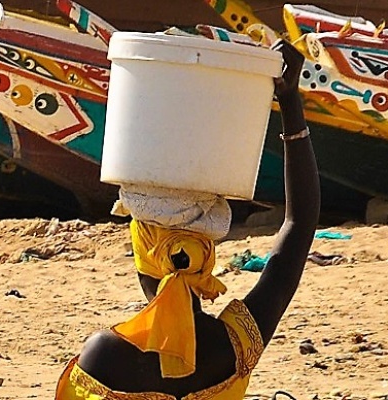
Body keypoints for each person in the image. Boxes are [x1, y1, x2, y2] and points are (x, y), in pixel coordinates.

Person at [55, 43, 319, 399]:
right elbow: (300, 224)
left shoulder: (104, 356)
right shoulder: (235, 345)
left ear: (144, 257)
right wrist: (290, 102)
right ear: (206, 258)